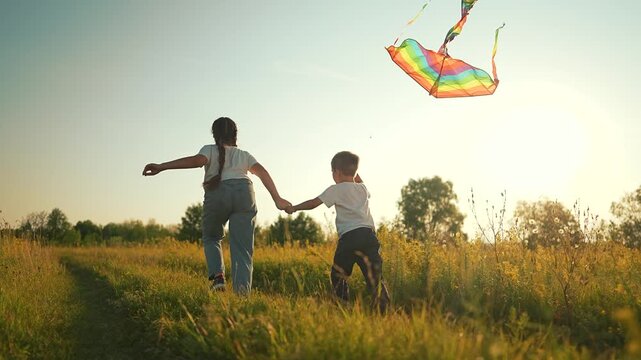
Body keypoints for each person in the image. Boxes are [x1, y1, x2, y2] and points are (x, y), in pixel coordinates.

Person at [143, 117, 290, 294]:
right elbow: (262, 172)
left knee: (212, 238)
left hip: (217, 193)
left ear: (215, 135)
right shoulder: (244, 155)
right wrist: (277, 198)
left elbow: (195, 161)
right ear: (235, 135)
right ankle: (242, 296)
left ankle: (218, 277)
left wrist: (162, 166)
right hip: (245, 192)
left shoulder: (209, 150)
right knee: (243, 249)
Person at [286, 151, 390, 312]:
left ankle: (343, 306)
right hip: (369, 237)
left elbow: (314, 203)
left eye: (332, 172)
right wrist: (354, 172)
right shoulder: (362, 189)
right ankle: (384, 310)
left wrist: (295, 207)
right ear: (354, 171)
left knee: (339, 275)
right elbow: (359, 180)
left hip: (349, 238)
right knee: (375, 277)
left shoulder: (335, 189)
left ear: (337, 172)